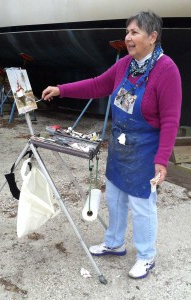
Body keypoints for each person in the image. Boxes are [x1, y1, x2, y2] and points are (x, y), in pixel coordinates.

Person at [42, 11, 182, 279]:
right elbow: (97, 86)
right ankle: (114, 242)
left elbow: (171, 119)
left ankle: (146, 256)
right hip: (120, 145)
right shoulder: (125, 65)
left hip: (145, 148)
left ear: (152, 37)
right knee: (115, 198)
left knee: (142, 204)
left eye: (134, 32)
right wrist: (62, 89)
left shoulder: (167, 70)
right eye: (127, 32)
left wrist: (162, 160)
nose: (128, 38)